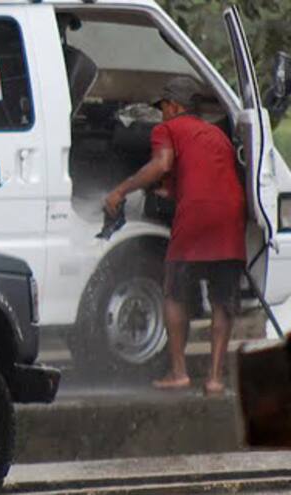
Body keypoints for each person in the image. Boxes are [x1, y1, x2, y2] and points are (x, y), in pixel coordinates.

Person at [105, 76, 246, 395]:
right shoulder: (217, 134)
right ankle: (214, 379)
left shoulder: (166, 130)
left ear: (173, 106)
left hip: (196, 215)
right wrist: (170, 190)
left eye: (163, 108)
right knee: (223, 300)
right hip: (231, 215)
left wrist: (120, 190)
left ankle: (179, 373)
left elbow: (162, 163)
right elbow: (202, 176)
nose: (161, 114)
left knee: (175, 291)